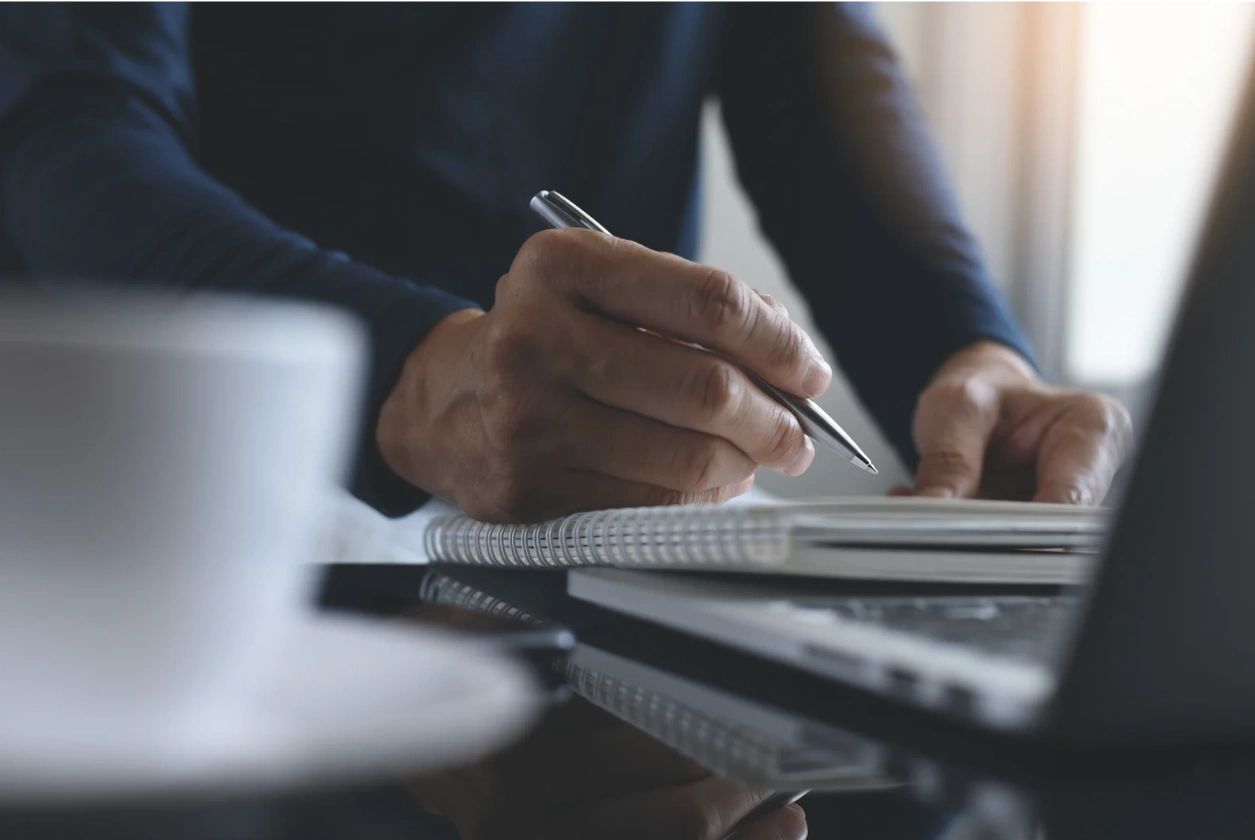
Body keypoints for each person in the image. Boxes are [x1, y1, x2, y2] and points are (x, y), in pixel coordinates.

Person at [0, 4, 1131, 523]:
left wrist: (970, 349)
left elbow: (820, 75)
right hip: (183, 521)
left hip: (593, 567)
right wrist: (415, 381)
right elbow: (68, 133)